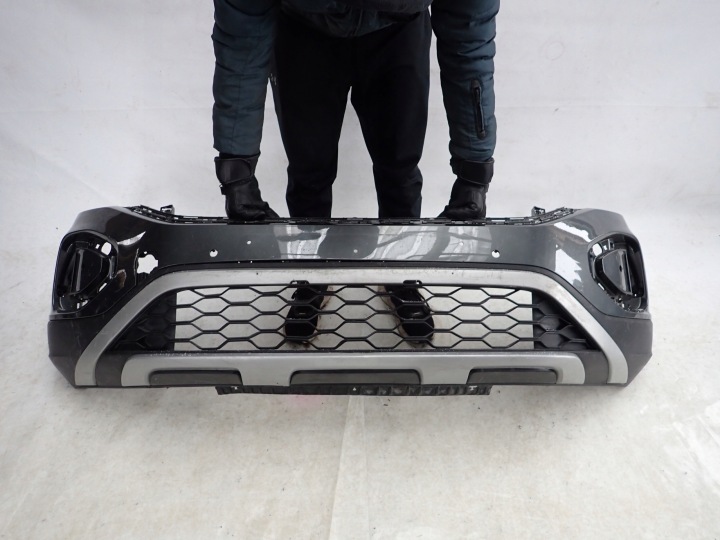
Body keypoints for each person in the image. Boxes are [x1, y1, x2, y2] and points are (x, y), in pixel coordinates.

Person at [211, 0, 499, 343]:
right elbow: (241, 36)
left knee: (400, 167)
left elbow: (469, 36)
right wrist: (237, 170)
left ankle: (399, 271)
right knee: (308, 170)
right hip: (304, 29)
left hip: (398, 31)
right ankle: (311, 274)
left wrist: (474, 170)